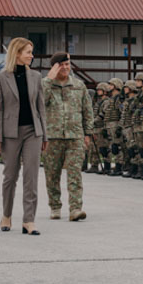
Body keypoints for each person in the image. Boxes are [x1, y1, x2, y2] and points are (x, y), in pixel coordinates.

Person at [0, 37, 47, 235]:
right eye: (28, 52)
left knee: (31, 177)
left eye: (32, 52)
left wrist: (45, 135)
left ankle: (29, 220)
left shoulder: (36, 77)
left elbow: (40, 107)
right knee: (10, 177)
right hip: (10, 133)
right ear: (17, 54)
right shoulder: (1, 77)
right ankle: (6, 215)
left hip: (33, 131)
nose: (31, 56)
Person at [41, 52, 94, 222]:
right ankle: (55, 206)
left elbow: (87, 110)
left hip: (75, 136)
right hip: (52, 137)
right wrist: (49, 79)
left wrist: (88, 133)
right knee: (52, 173)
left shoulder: (79, 86)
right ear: (54, 67)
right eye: (61, 64)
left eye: (67, 64)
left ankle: (75, 208)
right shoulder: (45, 85)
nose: (65, 67)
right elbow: (40, 103)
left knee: (74, 172)